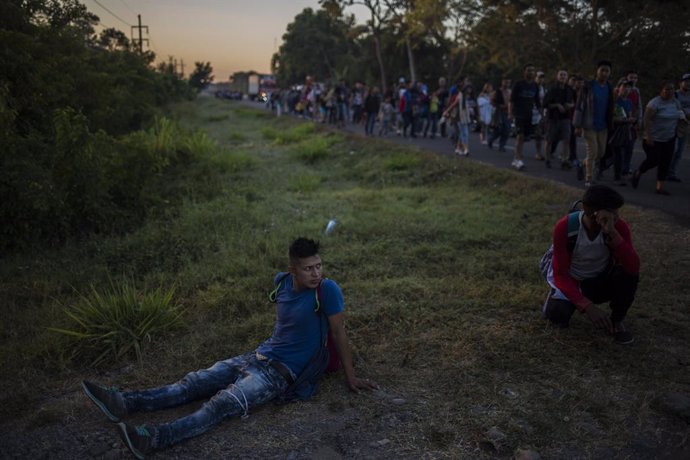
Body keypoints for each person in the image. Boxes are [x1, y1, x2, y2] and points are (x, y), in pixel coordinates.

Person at [82, 238, 378, 459]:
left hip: (278, 374)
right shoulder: (282, 283)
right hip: (257, 356)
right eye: (308, 269)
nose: (316, 273)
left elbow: (339, 332)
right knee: (194, 382)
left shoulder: (327, 290)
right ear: (292, 270)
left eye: (318, 266)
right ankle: (123, 403)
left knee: (221, 404)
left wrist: (350, 377)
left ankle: (154, 439)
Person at [542, 185, 639, 344]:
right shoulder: (565, 227)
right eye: (613, 212)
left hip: (600, 281)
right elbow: (560, 274)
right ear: (595, 214)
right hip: (573, 282)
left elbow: (633, 267)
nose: (617, 216)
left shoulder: (618, 227)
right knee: (556, 315)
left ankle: (617, 321)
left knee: (627, 276)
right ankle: (559, 299)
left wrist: (613, 233)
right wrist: (587, 306)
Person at [631, 80, 685, 195]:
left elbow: (680, 115)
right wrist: (649, 136)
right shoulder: (654, 103)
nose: (669, 92)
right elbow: (647, 120)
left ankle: (659, 187)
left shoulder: (675, 102)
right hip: (653, 139)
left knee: (665, 162)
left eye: (671, 89)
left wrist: (680, 128)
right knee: (654, 160)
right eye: (666, 89)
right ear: (661, 91)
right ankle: (639, 171)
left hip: (669, 138)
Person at [574, 60, 615, 187]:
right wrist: (577, 125)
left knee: (600, 153)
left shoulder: (609, 87)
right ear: (597, 71)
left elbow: (611, 106)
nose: (604, 73)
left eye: (607, 71)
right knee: (592, 151)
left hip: (603, 125)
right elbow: (579, 105)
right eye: (602, 70)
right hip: (589, 123)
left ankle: (582, 164)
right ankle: (589, 179)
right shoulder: (588, 86)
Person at [510, 64, 541, 170]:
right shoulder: (518, 84)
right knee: (520, 136)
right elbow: (511, 100)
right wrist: (510, 114)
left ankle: (516, 157)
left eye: (532, 71)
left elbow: (537, 101)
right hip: (519, 114)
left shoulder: (535, 86)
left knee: (525, 138)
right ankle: (517, 159)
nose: (530, 72)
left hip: (529, 115)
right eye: (528, 70)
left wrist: (542, 114)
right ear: (524, 72)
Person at [544, 69, 575, 169]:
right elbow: (545, 104)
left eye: (565, 75)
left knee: (566, 139)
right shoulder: (552, 89)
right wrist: (557, 105)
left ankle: (564, 160)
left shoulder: (570, 89)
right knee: (549, 140)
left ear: (567, 77)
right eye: (561, 75)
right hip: (553, 118)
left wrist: (569, 105)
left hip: (566, 118)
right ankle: (547, 159)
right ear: (557, 77)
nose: (563, 77)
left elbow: (574, 102)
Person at [668, 73, 690, 182]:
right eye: (686, 81)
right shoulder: (675, 94)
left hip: (685, 126)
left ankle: (672, 173)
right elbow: (672, 107)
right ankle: (664, 170)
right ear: (681, 83)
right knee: (673, 150)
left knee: (680, 151)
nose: (688, 84)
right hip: (674, 125)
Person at [488, 78, 512, 152]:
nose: (507, 84)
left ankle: (502, 146)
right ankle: (491, 139)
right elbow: (491, 101)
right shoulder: (497, 92)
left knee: (507, 130)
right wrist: (498, 105)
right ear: (502, 82)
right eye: (505, 82)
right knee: (499, 129)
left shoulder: (510, 92)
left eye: (508, 82)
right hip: (499, 112)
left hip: (507, 112)